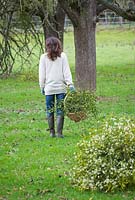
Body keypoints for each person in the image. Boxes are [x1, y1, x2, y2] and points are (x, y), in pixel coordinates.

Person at [39, 36, 75, 138]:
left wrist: (42, 86)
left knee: (50, 110)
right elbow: (66, 72)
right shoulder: (63, 56)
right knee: (60, 110)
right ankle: (59, 133)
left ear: (48, 46)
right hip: (61, 89)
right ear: (58, 45)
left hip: (49, 89)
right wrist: (70, 84)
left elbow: (42, 74)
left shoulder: (44, 57)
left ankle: (52, 133)